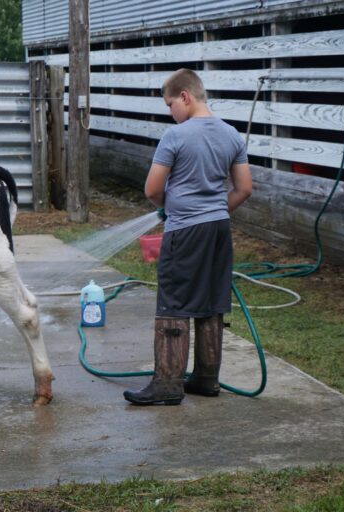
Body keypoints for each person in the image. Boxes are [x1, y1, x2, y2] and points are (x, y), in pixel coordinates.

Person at [124, 68, 253, 405]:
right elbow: (244, 189)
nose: (171, 112)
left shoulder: (176, 136)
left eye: (170, 105)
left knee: (174, 304)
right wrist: (215, 211)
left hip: (186, 231)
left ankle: (167, 385)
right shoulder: (231, 135)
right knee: (211, 301)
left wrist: (174, 209)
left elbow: (152, 189)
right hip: (219, 230)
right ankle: (207, 379)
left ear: (185, 97)